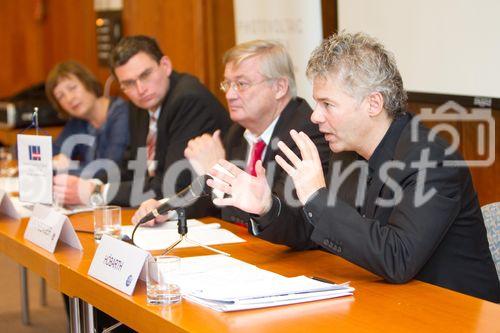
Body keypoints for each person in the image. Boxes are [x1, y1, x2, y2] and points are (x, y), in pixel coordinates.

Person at [206, 32, 500, 302]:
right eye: (316, 103)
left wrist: (317, 198)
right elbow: (314, 232)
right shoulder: (347, 153)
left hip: (456, 311)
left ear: (373, 104)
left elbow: (398, 258)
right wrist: (267, 206)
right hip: (387, 301)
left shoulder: (432, 159)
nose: (315, 117)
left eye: (327, 104)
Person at [132, 40, 330, 228]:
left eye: (241, 84)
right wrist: (167, 208)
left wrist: (218, 171)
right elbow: (209, 198)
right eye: (227, 84)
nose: (229, 95)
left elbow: (283, 221)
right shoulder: (238, 132)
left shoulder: (305, 135)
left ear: (279, 88)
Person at [53, 36, 231, 207]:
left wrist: (97, 192)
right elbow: (131, 167)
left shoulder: (188, 100)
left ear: (165, 65)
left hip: (210, 212)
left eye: (145, 75)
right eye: (129, 83)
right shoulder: (140, 103)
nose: (140, 89)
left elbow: (172, 185)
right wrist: (94, 183)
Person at [47, 61, 130, 203]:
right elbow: (51, 154)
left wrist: (69, 167)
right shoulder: (78, 122)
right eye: (61, 96)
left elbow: (108, 170)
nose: (69, 98)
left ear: (88, 82)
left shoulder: (122, 113)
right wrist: (53, 161)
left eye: (72, 88)